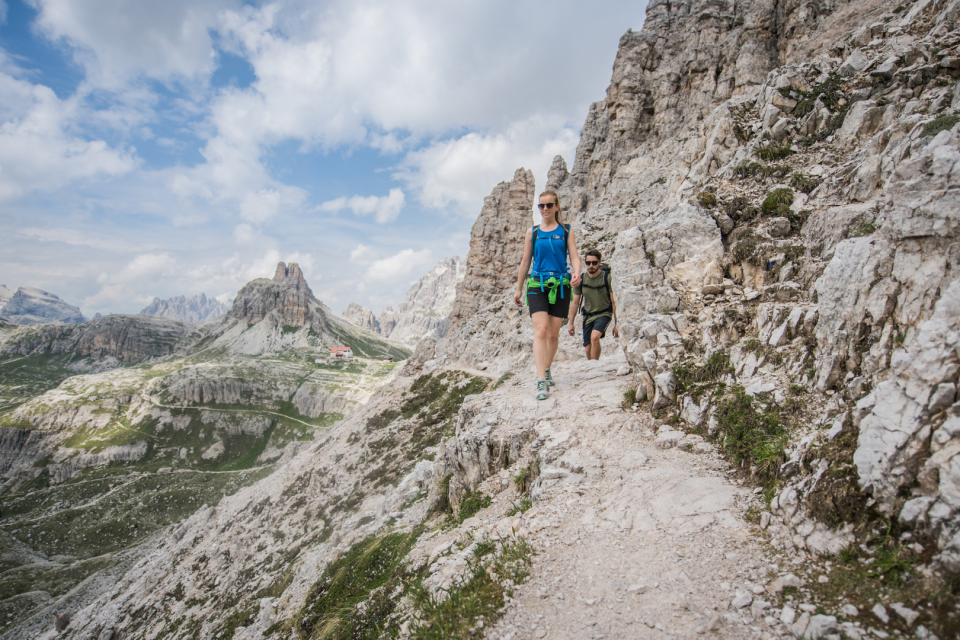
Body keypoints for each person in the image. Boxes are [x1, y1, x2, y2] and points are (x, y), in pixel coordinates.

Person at [514, 190, 582, 400]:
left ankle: (547, 368)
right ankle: (541, 381)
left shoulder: (566, 231)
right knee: (541, 331)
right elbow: (526, 262)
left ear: (557, 206)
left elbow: (575, 257)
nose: (545, 209)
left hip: (561, 285)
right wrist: (518, 288)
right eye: (541, 206)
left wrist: (577, 273)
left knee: (553, 334)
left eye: (549, 205)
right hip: (536, 285)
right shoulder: (532, 233)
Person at [569, 249, 618, 360]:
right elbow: (575, 302)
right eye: (588, 263)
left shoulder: (607, 278)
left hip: (604, 313)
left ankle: (594, 365)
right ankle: (592, 364)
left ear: (599, 262)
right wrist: (571, 323)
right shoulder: (581, 279)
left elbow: (614, 302)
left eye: (594, 263)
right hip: (588, 316)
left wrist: (617, 324)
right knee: (587, 348)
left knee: (595, 337)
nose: (591, 266)